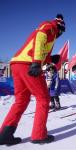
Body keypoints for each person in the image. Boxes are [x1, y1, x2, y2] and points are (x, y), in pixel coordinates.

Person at [0, 14, 65, 145]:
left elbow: (39, 49)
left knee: (21, 100)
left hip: (17, 64)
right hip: (28, 64)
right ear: (59, 27)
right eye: (62, 31)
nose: (60, 34)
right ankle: (39, 135)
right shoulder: (50, 27)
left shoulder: (51, 35)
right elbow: (39, 38)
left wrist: (51, 59)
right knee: (43, 98)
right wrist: (36, 62)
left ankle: (4, 135)